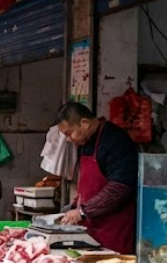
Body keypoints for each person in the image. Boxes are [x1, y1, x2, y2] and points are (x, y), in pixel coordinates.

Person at [56, 102, 139, 253]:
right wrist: (74, 206)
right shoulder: (85, 142)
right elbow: (87, 186)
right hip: (91, 230)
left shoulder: (116, 141)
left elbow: (119, 188)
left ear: (85, 123)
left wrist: (82, 212)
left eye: (69, 133)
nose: (68, 139)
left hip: (114, 231)